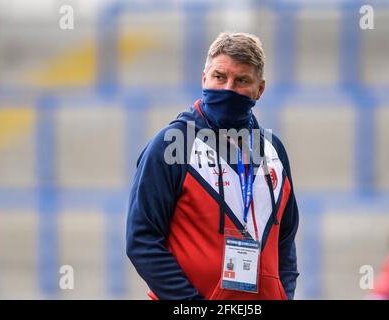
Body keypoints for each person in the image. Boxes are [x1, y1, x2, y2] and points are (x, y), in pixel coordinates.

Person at [126, 32, 299, 300]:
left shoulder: (272, 149)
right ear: (204, 77)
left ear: (260, 89)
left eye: (242, 80)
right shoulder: (172, 145)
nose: (229, 88)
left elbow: (285, 239)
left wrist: (282, 295)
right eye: (220, 77)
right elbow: (142, 240)